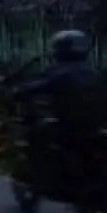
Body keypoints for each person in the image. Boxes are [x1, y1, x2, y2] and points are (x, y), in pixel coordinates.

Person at [15, 29, 104, 183]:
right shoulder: (93, 71)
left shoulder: (61, 72)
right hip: (95, 126)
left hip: (69, 125)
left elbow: (39, 85)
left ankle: (42, 175)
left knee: (37, 133)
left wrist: (18, 92)